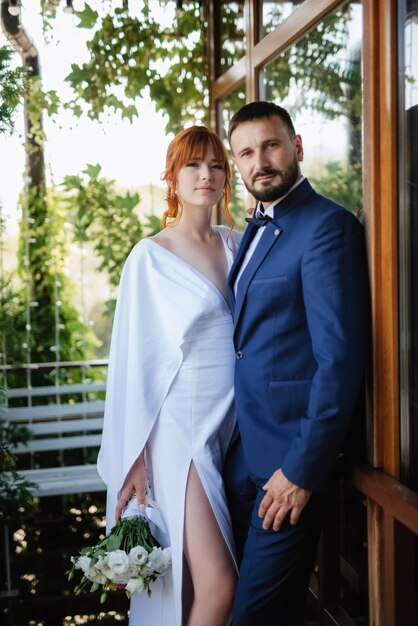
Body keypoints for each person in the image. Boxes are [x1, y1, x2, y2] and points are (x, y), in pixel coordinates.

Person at [224, 101, 370, 625]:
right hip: (242, 459)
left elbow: (340, 361)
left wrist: (302, 471)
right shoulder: (260, 226)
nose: (259, 161)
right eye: (245, 152)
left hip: (289, 468)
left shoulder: (326, 227)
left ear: (297, 147)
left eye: (271, 145)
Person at [97, 125, 242, 626]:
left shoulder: (236, 244)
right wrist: (135, 457)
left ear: (227, 178)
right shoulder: (150, 257)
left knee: (189, 585)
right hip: (182, 434)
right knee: (220, 585)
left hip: (232, 430)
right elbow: (133, 362)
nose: (206, 175)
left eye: (216, 165)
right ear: (172, 177)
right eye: (193, 165)